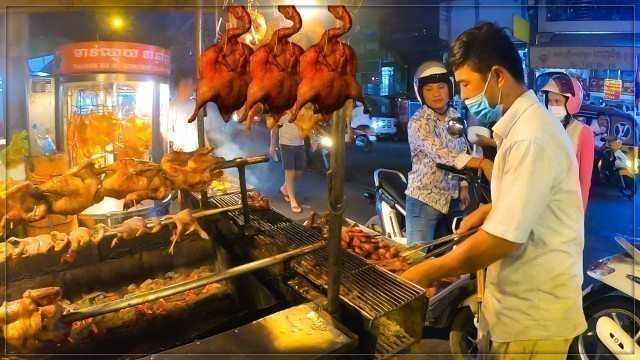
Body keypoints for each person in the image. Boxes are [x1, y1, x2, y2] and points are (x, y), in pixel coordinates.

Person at [402, 23, 586, 359]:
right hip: (520, 307)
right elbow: (529, 202)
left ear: (498, 76)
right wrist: (490, 209)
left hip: (534, 317)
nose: (464, 95)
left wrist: (428, 270)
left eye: (467, 85)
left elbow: (503, 239)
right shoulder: (522, 128)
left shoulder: (530, 137)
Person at [405, 60, 492, 244]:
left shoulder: (454, 116)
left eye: (441, 87)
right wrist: (481, 163)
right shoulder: (419, 121)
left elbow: (461, 148)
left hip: (452, 199)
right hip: (425, 199)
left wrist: (464, 188)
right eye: (429, 89)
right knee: (415, 257)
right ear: (421, 93)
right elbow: (439, 153)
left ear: (450, 89)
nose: (436, 94)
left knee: (453, 253)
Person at [541, 74, 594, 210]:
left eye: (557, 102)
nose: (552, 106)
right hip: (543, 202)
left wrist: (580, 212)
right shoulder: (544, 127)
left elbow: (584, 179)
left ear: (571, 102)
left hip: (567, 206)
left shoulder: (582, 132)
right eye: (550, 101)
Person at [269, 112, 317, 214]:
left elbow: (307, 126)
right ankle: (292, 200)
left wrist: (313, 140)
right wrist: (272, 145)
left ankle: (284, 188)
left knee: (298, 172)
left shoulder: (301, 111)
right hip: (285, 144)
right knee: (289, 172)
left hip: (300, 144)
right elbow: (274, 128)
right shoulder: (281, 111)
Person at [169, 72, 210, 151]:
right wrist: (177, 141)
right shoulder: (171, 107)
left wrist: (206, 142)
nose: (194, 88)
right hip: (182, 152)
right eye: (191, 85)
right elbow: (165, 131)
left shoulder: (195, 104)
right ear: (183, 86)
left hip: (198, 150)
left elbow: (201, 125)